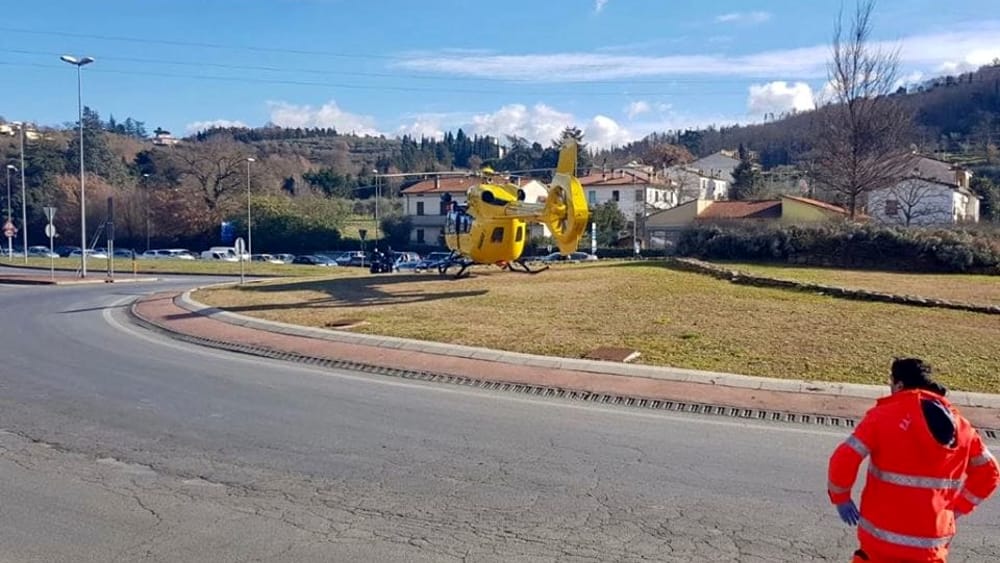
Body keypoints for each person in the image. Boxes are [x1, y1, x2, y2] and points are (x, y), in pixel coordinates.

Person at [828, 358, 999, 562]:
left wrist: (841, 498)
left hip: (880, 541)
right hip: (930, 546)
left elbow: (844, 458)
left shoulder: (881, 417)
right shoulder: (962, 428)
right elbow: (990, 473)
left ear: (899, 385)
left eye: (890, 383)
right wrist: (958, 508)